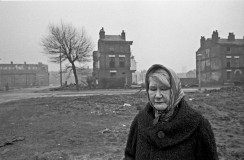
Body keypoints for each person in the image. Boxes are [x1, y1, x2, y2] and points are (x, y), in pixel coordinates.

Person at [124, 64, 218, 160]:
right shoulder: (139, 121)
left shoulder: (198, 125)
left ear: (175, 90)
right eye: (153, 89)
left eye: (164, 89)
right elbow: (129, 156)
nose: (157, 95)